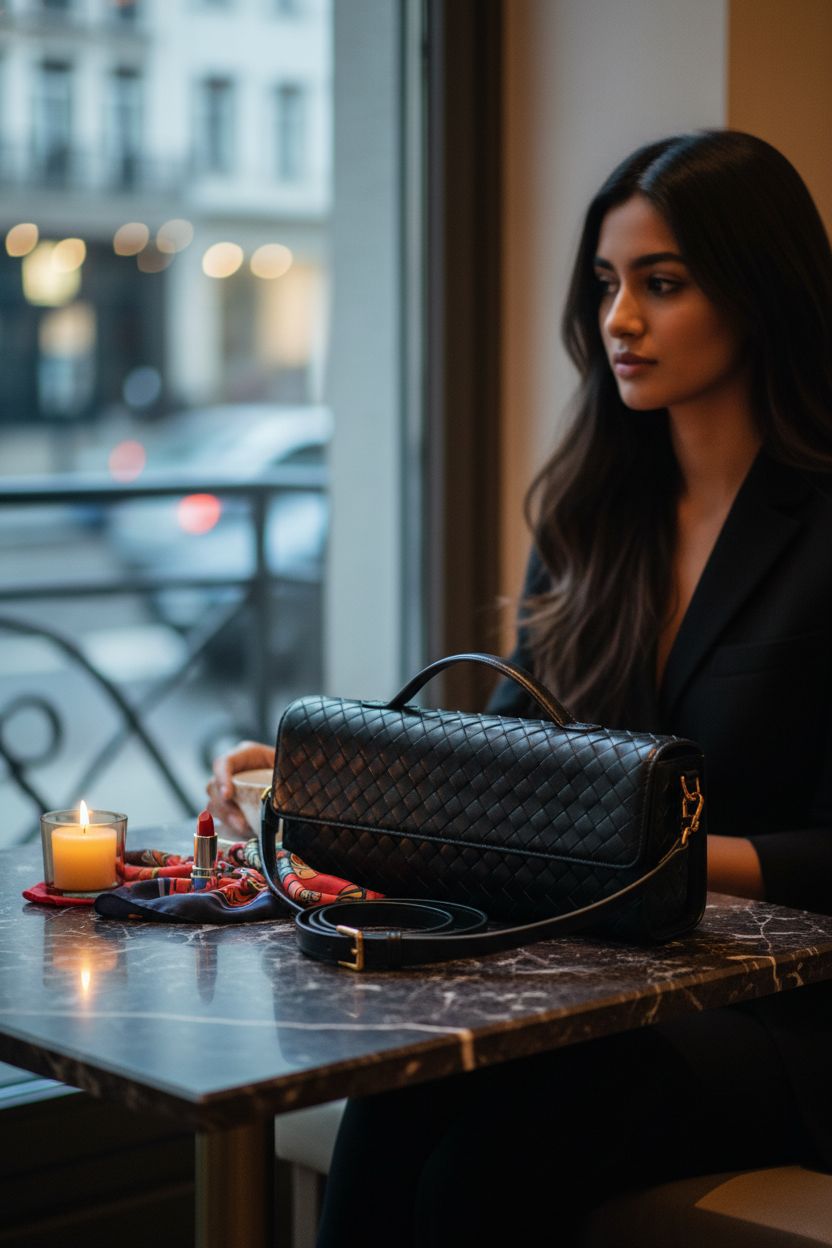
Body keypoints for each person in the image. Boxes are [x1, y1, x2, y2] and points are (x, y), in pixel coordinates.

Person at [208, 129, 832, 1246]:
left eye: (663, 284)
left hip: (791, 1017)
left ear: (762, 290)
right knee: (393, 1100)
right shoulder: (593, 521)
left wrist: (657, 865)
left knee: (477, 1175)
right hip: (609, 985)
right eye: (605, 285)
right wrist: (333, 786)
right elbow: (513, 768)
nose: (619, 321)